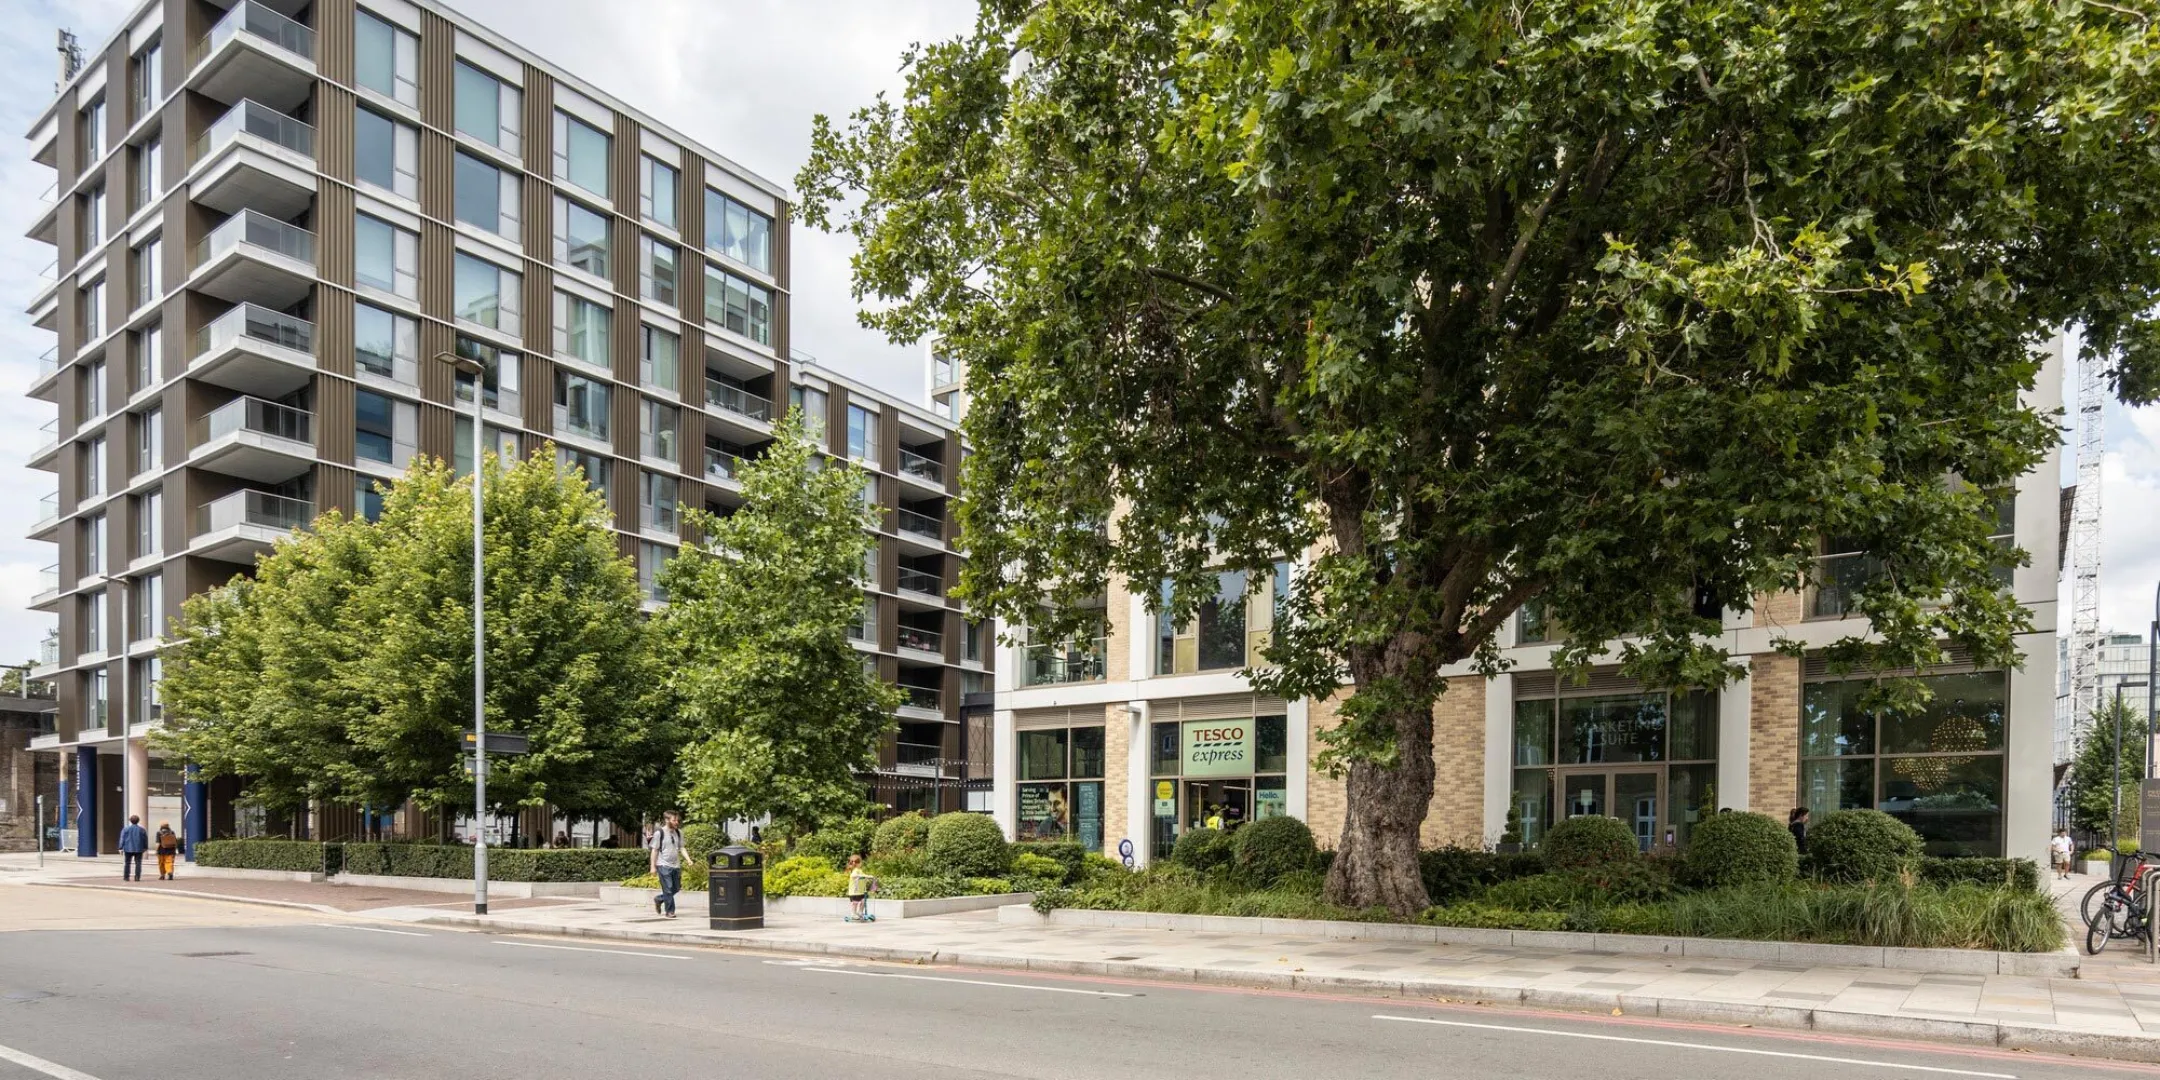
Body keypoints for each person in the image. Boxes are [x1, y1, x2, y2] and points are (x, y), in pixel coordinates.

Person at [647, 811, 684, 919]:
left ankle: (659, 899)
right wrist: (652, 867)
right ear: (667, 820)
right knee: (668, 888)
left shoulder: (679, 832)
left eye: (677, 820)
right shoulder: (659, 833)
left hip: (675, 865)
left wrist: (689, 859)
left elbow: (681, 847)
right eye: (674, 820)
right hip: (663, 865)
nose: (676, 822)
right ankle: (670, 911)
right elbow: (654, 850)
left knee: (676, 888)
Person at [844, 854, 879, 923]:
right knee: (855, 903)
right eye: (860, 862)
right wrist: (862, 876)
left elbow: (863, 876)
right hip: (854, 891)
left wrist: (868, 877)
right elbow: (853, 876)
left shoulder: (859, 870)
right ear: (858, 863)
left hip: (860, 891)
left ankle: (860, 912)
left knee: (863, 901)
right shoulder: (855, 870)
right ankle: (853, 914)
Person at [117, 815, 148, 881]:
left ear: (130, 821)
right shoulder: (142, 830)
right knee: (138, 863)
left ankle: (126, 877)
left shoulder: (125, 829)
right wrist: (145, 847)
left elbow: (122, 839)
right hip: (139, 849)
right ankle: (137, 877)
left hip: (128, 848)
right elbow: (145, 839)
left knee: (127, 863)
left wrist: (120, 848)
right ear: (138, 821)